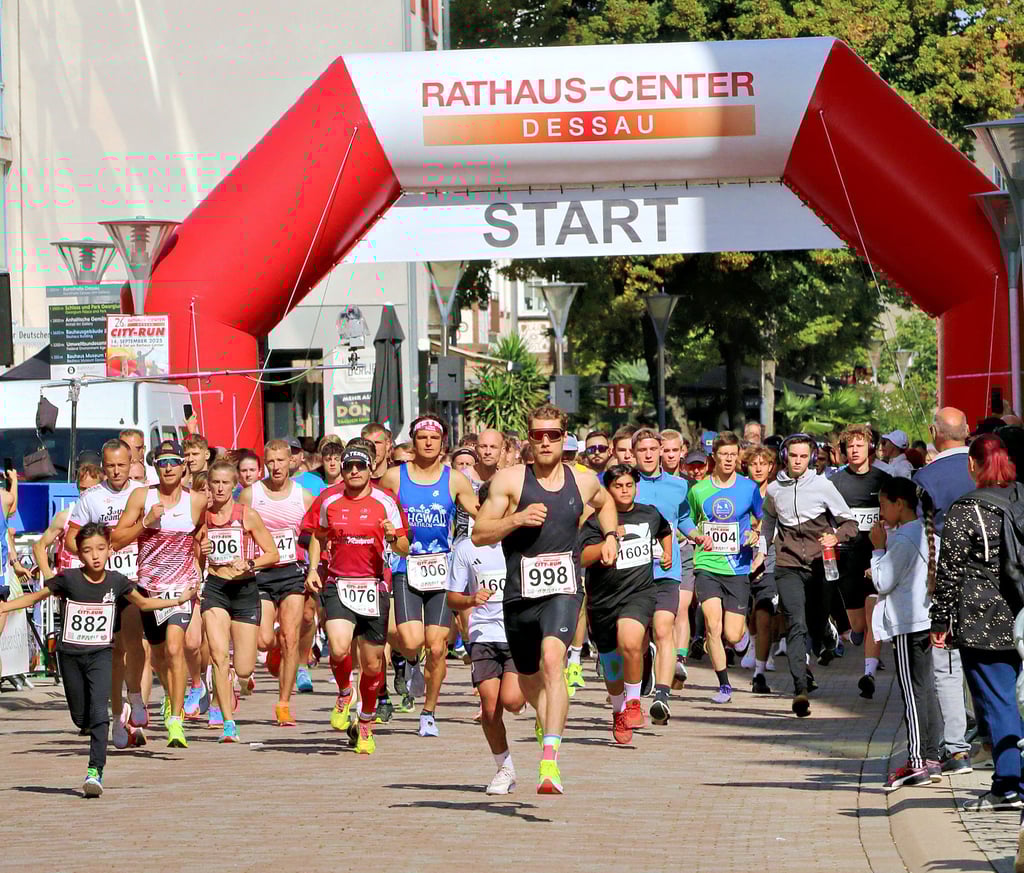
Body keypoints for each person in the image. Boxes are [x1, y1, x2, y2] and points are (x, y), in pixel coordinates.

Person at [474, 403, 618, 794]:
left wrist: (610, 537)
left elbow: (606, 505)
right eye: (538, 435)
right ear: (529, 439)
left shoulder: (583, 480)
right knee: (529, 684)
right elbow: (479, 533)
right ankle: (547, 720)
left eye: (553, 434)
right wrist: (515, 520)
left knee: (554, 660)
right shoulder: (510, 481)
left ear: (564, 438)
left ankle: (549, 761)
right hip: (519, 596)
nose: (546, 442)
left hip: (564, 589)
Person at [0, 523, 194, 796]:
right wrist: (6, 606)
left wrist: (177, 601)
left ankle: (95, 772)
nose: (95, 556)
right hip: (70, 656)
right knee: (82, 718)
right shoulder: (68, 579)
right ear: (79, 553)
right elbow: (36, 597)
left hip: (101, 654)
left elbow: (144, 604)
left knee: (100, 713)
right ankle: (89, 728)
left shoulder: (117, 581)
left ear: (110, 550)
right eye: (88, 550)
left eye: (101, 549)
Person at [932, 434, 1024, 810]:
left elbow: (949, 572)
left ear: (972, 465)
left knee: (998, 701)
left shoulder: (965, 509)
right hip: (1022, 612)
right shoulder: (1021, 497)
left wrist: (940, 621)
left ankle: (1007, 784)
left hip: (983, 617)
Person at [303, 444, 408, 754]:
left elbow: (403, 547)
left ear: (369, 469)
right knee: (337, 646)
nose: (353, 472)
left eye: (360, 467)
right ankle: (345, 691)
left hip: (374, 586)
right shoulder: (329, 498)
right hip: (338, 582)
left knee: (374, 665)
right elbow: (317, 536)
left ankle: (365, 722)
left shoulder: (385, 500)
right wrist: (312, 568)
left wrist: (393, 537)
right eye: (348, 466)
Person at [378, 414, 478, 736]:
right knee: (411, 640)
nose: (428, 443)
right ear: (413, 441)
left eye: (434, 438)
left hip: (441, 570)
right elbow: (374, 508)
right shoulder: (395, 477)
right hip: (405, 565)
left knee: (437, 648)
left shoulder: (455, 480)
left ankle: (429, 713)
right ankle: (407, 661)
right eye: (422, 437)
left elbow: (481, 514)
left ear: (442, 443)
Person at [112, 440, 207, 748]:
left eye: (174, 461)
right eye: (162, 462)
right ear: (155, 467)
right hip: (149, 589)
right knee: (158, 656)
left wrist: (201, 557)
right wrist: (145, 523)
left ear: (184, 466)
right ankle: (165, 697)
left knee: (176, 649)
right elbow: (115, 539)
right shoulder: (143, 496)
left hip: (181, 589)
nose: (168, 467)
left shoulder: (196, 501)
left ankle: (176, 721)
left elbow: (200, 534)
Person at [763, 434, 858, 717]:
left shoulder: (823, 486)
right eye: (793, 456)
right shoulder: (773, 490)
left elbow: (850, 523)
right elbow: (769, 519)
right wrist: (762, 545)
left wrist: (835, 536)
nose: (798, 461)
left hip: (820, 566)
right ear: (784, 456)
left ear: (812, 458)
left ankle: (826, 633)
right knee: (796, 623)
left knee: (815, 624)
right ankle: (799, 689)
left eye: (804, 457)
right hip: (787, 563)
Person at [67, 439, 150, 749]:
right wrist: (91, 555)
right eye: (110, 465)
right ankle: (117, 716)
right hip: (102, 581)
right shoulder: (91, 498)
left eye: (121, 465)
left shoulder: (142, 492)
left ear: (131, 464)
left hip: (134, 577)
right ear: (103, 467)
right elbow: (71, 539)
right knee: (113, 654)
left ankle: (137, 697)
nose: (116, 471)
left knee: (134, 640)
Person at [580, 465, 672, 744]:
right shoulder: (597, 521)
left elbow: (665, 530)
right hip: (603, 600)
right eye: (618, 486)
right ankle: (619, 710)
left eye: (629, 485)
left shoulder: (649, 514)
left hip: (639, 593)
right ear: (607, 489)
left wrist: (667, 552)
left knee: (631, 642)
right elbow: (582, 556)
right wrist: (610, 540)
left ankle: (634, 703)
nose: (624, 490)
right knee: (611, 664)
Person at [448, 481, 525, 793]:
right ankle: (504, 768)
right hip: (484, 634)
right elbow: (453, 597)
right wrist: (470, 600)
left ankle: (538, 696)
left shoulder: (523, 544)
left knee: (514, 701)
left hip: (519, 632)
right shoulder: (466, 548)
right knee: (490, 707)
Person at [869, 477, 943, 791]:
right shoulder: (926, 535)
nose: (881, 511)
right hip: (924, 620)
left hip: (906, 623)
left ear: (900, 504)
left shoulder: (902, 538)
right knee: (926, 689)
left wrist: (877, 551)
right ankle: (932, 756)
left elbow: (882, 582)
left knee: (912, 694)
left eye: (884, 504)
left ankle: (915, 760)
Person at [913, 407, 975, 775]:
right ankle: (996, 740)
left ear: (935, 432)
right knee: (991, 665)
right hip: (994, 584)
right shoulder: (987, 469)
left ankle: (957, 749)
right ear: (967, 431)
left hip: (945, 581)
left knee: (948, 667)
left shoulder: (924, 477)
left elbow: (921, 535)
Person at [200, 461, 278, 742]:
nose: (219, 488)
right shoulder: (202, 518)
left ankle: (237, 680)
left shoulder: (247, 515)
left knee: (243, 668)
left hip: (244, 589)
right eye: (215, 483)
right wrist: (201, 549)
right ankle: (228, 724)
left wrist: (250, 562)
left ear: (234, 486)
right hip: (216, 589)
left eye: (225, 483)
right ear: (208, 486)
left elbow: (273, 554)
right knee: (219, 656)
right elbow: (193, 558)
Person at [240, 439, 315, 725]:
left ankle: (284, 703)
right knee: (263, 640)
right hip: (262, 572)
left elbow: (314, 536)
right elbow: (239, 529)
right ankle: (272, 653)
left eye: (280, 461)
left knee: (290, 637)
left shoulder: (303, 497)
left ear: (290, 462)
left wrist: (313, 569)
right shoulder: (250, 495)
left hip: (292, 571)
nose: (276, 467)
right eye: (270, 462)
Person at [688, 432, 763, 704]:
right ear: (714, 457)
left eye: (733, 454)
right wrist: (696, 535)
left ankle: (742, 642)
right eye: (724, 455)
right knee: (712, 626)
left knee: (733, 633)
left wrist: (756, 536)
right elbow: (688, 520)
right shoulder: (698, 491)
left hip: (738, 567)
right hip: (707, 565)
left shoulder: (749, 488)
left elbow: (761, 519)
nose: (729, 459)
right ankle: (724, 686)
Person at [631, 428, 698, 722]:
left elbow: (683, 517)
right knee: (638, 637)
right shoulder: (626, 483)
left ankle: (662, 695)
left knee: (663, 629)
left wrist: (698, 535)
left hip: (666, 570)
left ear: (661, 451)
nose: (647, 455)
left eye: (652, 449)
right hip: (632, 572)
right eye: (641, 450)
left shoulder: (679, 485)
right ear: (634, 454)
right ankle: (643, 667)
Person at [829, 425, 892, 698]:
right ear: (844, 452)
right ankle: (854, 633)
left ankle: (868, 674)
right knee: (858, 624)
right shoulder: (835, 482)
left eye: (859, 445)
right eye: (850, 446)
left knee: (873, 612)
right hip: (847, 559)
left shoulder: (884, 479)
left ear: (870, 447)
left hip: (876, 556)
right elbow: (826, 518)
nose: (854, 450)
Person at [746, 446, 779, 692]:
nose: (758, 467)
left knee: (765, 612)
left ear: (771, 467)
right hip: (739, 561)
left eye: (763, 463)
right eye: (753, 463)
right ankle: (751, 643)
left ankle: (760, 668)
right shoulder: (740, 491)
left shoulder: (777, 492)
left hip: (771, 561)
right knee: (747, 613)